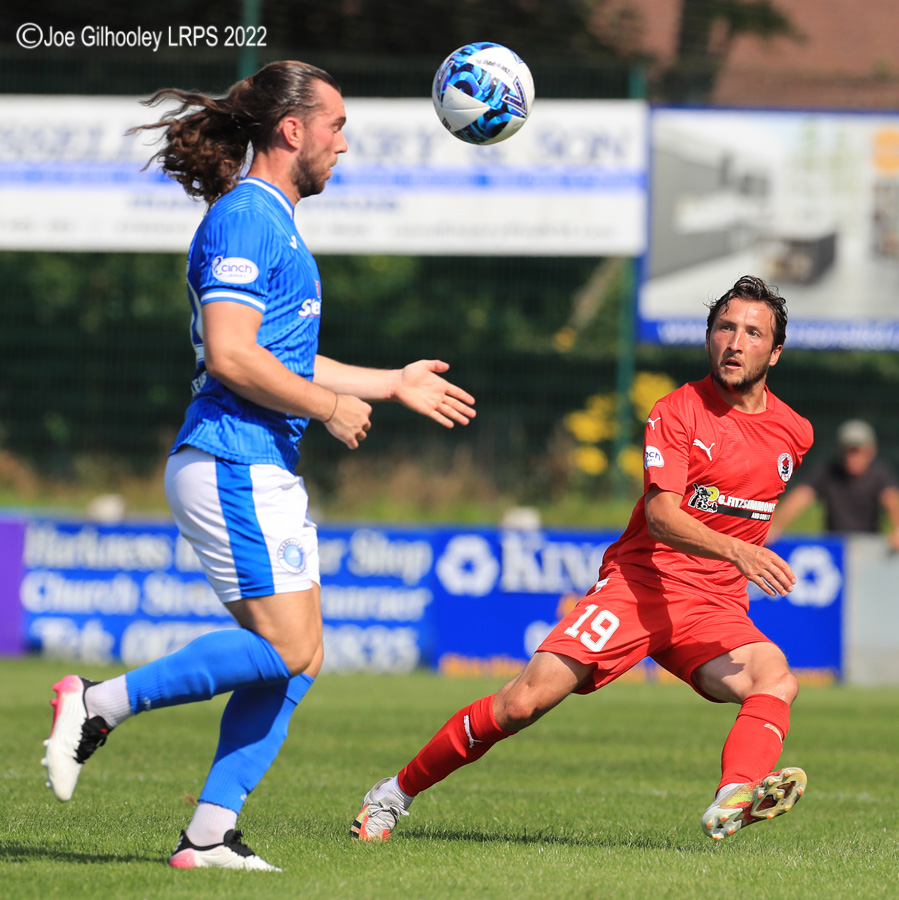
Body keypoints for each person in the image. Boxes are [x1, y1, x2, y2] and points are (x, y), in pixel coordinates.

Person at [41, 60, 476, 872]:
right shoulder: (247, 219)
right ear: (292, 130)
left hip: (259, 461)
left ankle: (209, 832)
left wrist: (390, 383)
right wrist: (327, 407)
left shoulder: (274, 222)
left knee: (302, 658)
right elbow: (237, 357)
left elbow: (286, 355)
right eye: (336, 125)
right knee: (285, 647)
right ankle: (97, 702)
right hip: (231, 456)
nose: (344, 144)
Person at [351, 275, 814, 844]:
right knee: (522, 704)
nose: (735, 342)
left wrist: (734, 561)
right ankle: (391, 795)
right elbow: (663, 515)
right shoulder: (677, 412)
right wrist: (739, 551)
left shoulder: (795, 432)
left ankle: (734, 795)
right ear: (708, 337)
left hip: (713, 606)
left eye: (751, 332)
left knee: (776, 680)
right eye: (724, 328)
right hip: (642, 587)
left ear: (776, 351)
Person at [768, 418, 899, 550]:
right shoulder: (828, 471)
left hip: (868, 546)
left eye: (856, 450)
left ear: (870, 451)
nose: (852, 457)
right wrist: (776, 527)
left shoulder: (880, 474)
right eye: (847, 450)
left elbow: (892, 500)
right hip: (834, 545)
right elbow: (801, 496)